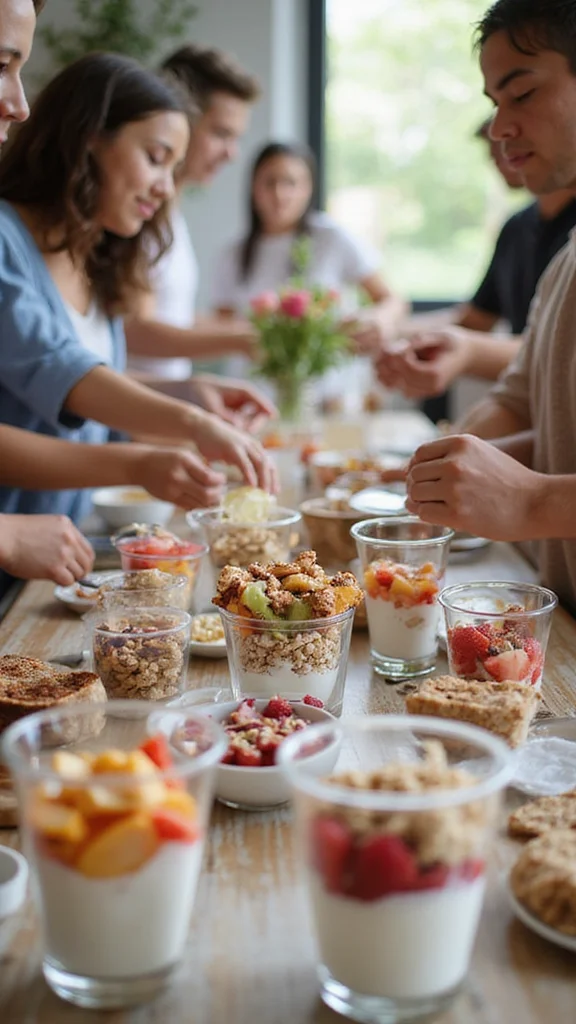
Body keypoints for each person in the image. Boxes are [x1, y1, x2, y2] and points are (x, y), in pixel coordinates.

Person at [0, 52, 275, 584]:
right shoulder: (6, 240)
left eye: (175, 167)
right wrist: (174, 436)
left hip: (60, 559)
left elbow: (84, 381)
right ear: (88, 138)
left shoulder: (90, 251)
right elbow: (63, 373)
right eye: (155, 157)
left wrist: (187, 393)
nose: (168, 188)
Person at [405, 0, 576, 616]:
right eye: (493, 102)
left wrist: (532, 503)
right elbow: (521, 401)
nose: (500, 128)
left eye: (522, 93)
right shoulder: (566, 263)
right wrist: (443, 467)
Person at [377, 115, 576, 402]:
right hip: (532, 402)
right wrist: (393, 331)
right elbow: (474, 320)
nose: (501, 156)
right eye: (493, 151)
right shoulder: (516, 227)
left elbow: (558, 351)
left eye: (503, 147)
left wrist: (470, 351)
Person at [125, 44, 264, 398]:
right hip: (130, 423)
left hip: (160, 418)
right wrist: (242, 339)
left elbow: (172, 317)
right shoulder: (137, 211)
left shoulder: (171, 213)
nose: (232, 154)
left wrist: (258, 329)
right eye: (221, 133)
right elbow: (135, 328)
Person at [213, 140, 406, 353]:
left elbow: (393, 301)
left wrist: (378, 319)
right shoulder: (234, 255)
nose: (279, 194)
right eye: (269, 182)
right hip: (254, 382)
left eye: (291, 183)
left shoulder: (331, 238)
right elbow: (222, 328)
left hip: (329, 380)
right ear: (253, 188)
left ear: (308, 189)